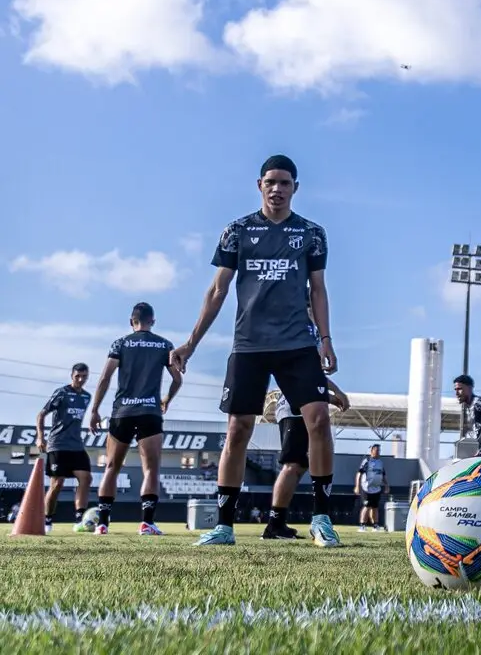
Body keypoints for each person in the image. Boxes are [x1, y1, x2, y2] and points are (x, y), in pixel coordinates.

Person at [170, 154, 340, 548]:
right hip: (249, 345)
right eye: (270, 182)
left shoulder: (312, 233)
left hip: (298, 342)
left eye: (285, 182)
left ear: (296, 187)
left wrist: (326, 339)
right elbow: (217, 290)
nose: (277, 189)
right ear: (259, 186)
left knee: (317, 420)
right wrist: (190, 344)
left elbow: (318, 289)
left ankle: (321, 518)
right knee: (238, 429)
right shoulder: (237, 231)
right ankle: (224, 526)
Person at [88, 302, 182, 536]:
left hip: (122, 412)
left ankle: (102, 524)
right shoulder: (164, 345)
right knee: (151, 469)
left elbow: (104, 378)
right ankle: (147, 524)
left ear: (132, 321)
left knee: (111, 467)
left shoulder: (120, 343)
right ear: (153, 321)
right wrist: (166, 399)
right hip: (150, 411)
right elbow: (177, 379)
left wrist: (95, 410)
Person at [263, 349, 349, 541]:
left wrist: (330, 395)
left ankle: (277, 525)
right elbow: (308, 377)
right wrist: (335, 393)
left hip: (297, 404)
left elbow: (312, 379)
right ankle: (274, 526)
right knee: (293, 464)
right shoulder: (299, 335)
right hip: (294, 407)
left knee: (298, 465)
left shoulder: (309, 334)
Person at [36, 362, 93, 533]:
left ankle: (79, 519)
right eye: (78, 376)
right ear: (72, 376)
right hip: (58, 444)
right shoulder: (61, 393)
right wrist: (40, 437)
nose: (81, 379)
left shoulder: (87, 396)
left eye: (84, 376)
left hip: (76, 445)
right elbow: (41, 414)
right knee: (57, 484)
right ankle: (47, 520)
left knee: (86, 478)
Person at [355, 444, 390, 531]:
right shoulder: (367, 461)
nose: (378, 452)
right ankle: (362, 525)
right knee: (366, 506)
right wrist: (357, 486)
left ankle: (375, 525)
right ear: (372, 451)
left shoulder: (380, 463)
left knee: (375, 507)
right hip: (367, 488)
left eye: (379, 451)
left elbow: (383, 475)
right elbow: (359, 473)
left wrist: (386, 486)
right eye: (376, 450)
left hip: (376, 489)